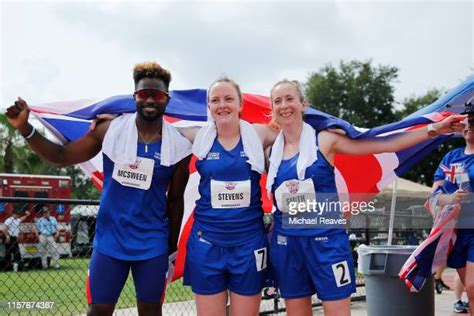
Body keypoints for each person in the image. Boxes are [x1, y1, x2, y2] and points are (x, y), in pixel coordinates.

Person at [5, 61, 192, 316]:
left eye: (157, 94)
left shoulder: (178, 146)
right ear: (134, 97)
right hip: (110, 241)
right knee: (98, 311)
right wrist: (25, 128)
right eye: (143, 94)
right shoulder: (109, 130)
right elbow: (61, 156)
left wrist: (170, 250)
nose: (150, 99)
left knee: (150, 312)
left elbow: (176, 201)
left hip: (152, 245)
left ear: (166, 99)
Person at [267, 79, 465, 316]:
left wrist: (432, 129)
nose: (284, 105)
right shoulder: (271, 150)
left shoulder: (324, 140)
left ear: (303, 104)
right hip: (287, 243)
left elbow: (381, 144)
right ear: (272, 109)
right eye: (277, 101)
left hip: (326, 243)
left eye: (290, 98)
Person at [180, 77, 277, 316]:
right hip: (207, 243)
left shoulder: (259, 134)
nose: (222, 105)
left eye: (228, 99)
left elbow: (298, 134)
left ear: (240, 104)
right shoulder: (198, 136)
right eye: (215, 100)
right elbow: (154, 125)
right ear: (209, 107)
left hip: (249, 244)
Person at [431, 104, 474, 315]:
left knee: (473, 287)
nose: (469, 125)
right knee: (470, 289)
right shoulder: (450, 158)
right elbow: (434, 197)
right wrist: (449, 198)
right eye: (467, 120)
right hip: (455, 232)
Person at [35, 204, 60, 269]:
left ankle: (56, 265)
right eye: (44, 212)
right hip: (43, 235)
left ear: (49, 212)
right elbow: (36, 229)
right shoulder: (39, 220)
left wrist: (57, 233)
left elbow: (56, 227)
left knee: (55, 250)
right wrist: (38, 236)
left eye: (46, 212)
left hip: (50, 236)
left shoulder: (53, 219)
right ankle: (45, 266)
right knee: (43, 251)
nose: (45, 213)